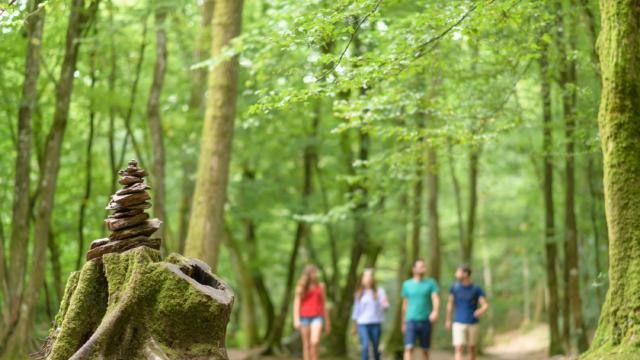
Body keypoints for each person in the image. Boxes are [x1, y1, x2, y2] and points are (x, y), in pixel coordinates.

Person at [445, 264, 489, 360]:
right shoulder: (454, 288)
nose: (456, 274)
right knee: (458, 348)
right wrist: (448, 320)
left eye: (458, 272)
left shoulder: (476, 289)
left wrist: (480, 310)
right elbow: (450, 304)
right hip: (458, 322)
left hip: (473, 322)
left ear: (465, 274)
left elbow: (485, 305)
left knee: (472, 348)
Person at [402, 259, 440, 360]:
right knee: (409, 348)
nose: (424, 268)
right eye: (421, 266)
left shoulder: (431, 283)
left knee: (425, 349)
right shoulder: (407, 284)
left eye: (424, 266)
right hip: (411, 320)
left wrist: (435, 311)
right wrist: (403, 322)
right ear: (414, 269)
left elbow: (435, 298)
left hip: (426, 320)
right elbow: (405, 304)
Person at [351, 268, 389, 360]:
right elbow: (356, 310)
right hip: (362, 323)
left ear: (373, 278)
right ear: (362, 279)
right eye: (366, 276)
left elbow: (386, 306)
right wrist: (354, 326)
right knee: (365, 346)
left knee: (375, 347)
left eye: (370, 276)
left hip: (376, 323)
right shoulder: (359, 293)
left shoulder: (379, 291)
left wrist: (385, 304)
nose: (368, 278)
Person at [293, 265, 330, 360]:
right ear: (308, 274)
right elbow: (297, 303)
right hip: (304, 317)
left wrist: (327, 322)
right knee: (306, 344)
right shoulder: (301, 286)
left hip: (318, 316)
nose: (315, 275)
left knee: (315, 341)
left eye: (316, 272)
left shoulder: (321, 286)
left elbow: (324, 304)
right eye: (313, 272)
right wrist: (296, 319)